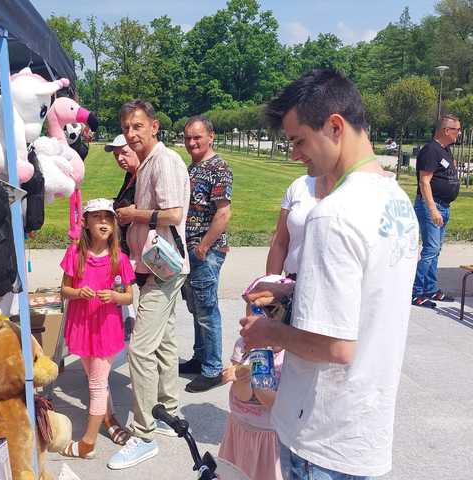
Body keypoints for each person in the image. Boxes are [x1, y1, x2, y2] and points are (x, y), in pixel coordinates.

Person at [241, 69, 419, 479]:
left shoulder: (333, 215)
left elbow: (336, 346)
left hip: (323, 434)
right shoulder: (395, 200)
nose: (294, 154)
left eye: (298, 140)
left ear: (334, 126)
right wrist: (293, 294)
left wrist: (268, 333)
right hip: (366, 424)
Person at [109, 100, 190, 470]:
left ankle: (143, 434)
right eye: (126, 127)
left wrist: (131, 215)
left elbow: (173, 214)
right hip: (154, 267)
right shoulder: (147, 165)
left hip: (164, 269)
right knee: (165, 341)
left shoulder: (165, 161)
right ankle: (168, 412)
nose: (131, 133)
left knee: (140, 349)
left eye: (137, 126)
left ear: (154, 126)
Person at [59, 198, 136, 459]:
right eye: (97, 217)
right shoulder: (75, 254)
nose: (103, 222)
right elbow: (64, 290)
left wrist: (114, 297)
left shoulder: (119, 258)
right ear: (87, 223)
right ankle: (110, 420)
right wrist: (79, 292)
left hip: (105, 328)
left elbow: (128, 296)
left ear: (114, 224)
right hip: (81, 325)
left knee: (96, 383)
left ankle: (87, 443)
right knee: (97, 380)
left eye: (108, 218)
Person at [179, 115, 232, 393]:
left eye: (197, 137)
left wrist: (203, 245)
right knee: (196, 307)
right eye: (188, 137)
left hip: (205, 251)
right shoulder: (194, 167)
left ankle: (212, 369)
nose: (191, 142)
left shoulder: (218, 167)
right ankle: (200, 358)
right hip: (190, 250)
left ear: (210, 136)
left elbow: (223, 212)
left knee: (207, 310)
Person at [219, 310, 284, 480]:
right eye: (253, 309)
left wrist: (255, 380)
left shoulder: (289, 358)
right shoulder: (244, 344)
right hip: (240, 428)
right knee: (236, 473)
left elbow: (274, 404)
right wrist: (240, 378)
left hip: (269, 437)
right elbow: (242, 395)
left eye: (271, 311)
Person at [411, 114, 461, 308]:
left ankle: (430, 288)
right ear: (446, 130)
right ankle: (415, 292)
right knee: (430, 250)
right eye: (456, 130)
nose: (459, 133)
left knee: (436, 250)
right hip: (432, 205)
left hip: (443, 206)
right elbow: (424, 182)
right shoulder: (431, 150)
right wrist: (432, 209)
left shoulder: (445, 150)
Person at [265, 174, 333, 278]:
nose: (294, 157)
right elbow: (280, 242)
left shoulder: (360, 190)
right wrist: (271, 282)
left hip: (336, 287)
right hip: (293, 283)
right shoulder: (299, 185)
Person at [105, 134, 140, 256]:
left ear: (136, 150)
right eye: (116, 155)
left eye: (124, 153)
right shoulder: (130, 174)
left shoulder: (143, 174)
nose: (119, 158)